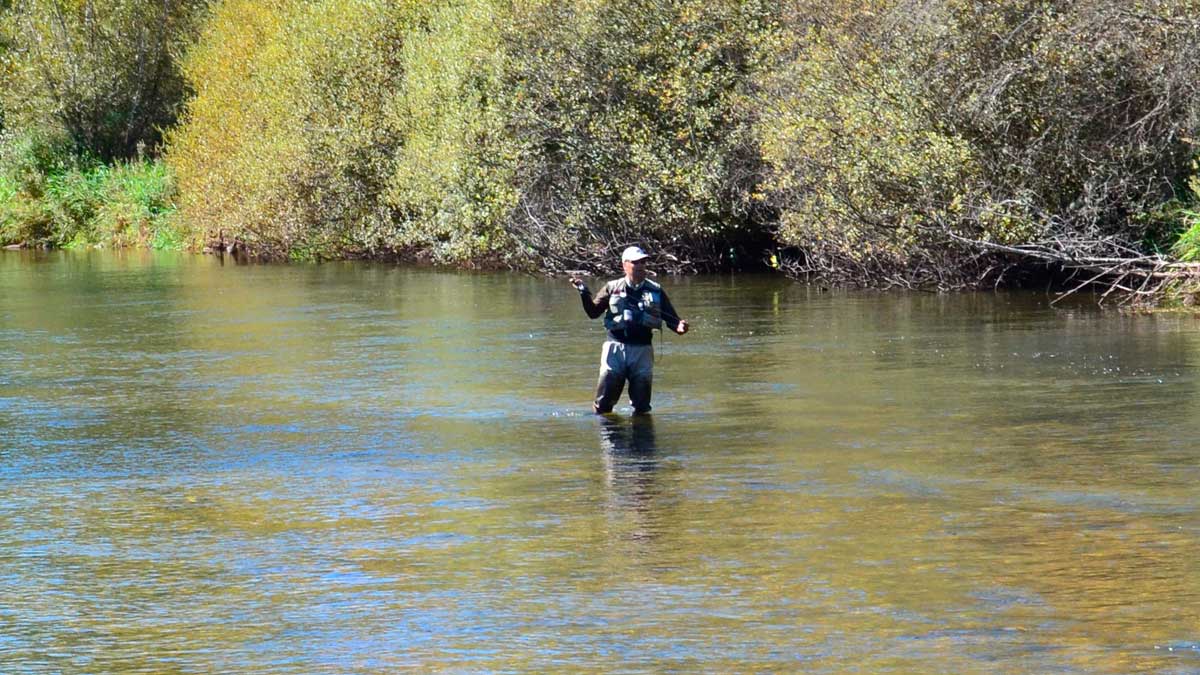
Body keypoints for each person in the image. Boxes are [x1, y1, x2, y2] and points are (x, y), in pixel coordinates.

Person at [569, 246, 689, 414]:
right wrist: (583, 292)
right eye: (635, 263)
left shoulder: (655, 290)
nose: (640, 266)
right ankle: (607, 435)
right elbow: (593, 312)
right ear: (624, 265)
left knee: (642, 406)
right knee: (604, 404)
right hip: (614, 349)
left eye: (643, 262)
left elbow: (672, 319)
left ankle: (641, 437)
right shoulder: (612, 287)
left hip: (642, 351)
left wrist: (680, 327)